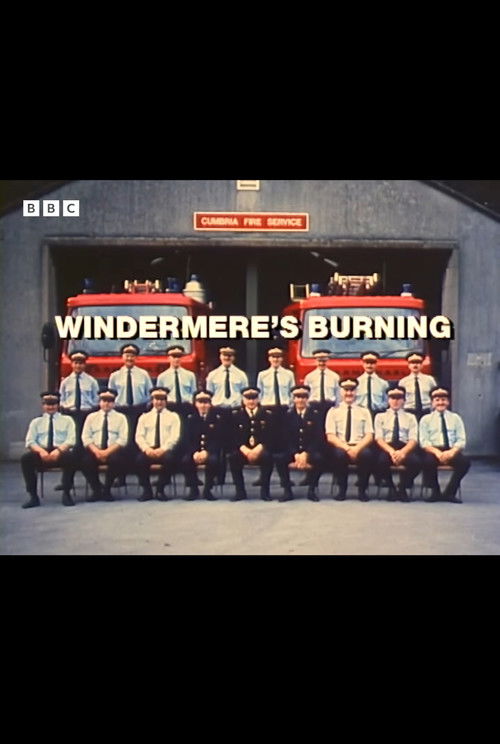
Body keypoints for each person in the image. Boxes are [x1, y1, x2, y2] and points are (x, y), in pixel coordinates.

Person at [21, 392, 77, 508]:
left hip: (60, 452)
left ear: (58, 405)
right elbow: (30, 441)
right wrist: (41, 451)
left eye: (53, 404)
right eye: (47, 404)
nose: (50, 407)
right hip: (41, 452)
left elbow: (71, 440)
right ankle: (33, 496)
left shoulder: (67, 420)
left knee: (71, 458)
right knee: (26, 459)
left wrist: (59, 451)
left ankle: (66, 493)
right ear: (43, 405)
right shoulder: (36, 422)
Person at [275, 384, 326, 502]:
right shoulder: (287, 415)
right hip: (292, 451)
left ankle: (312, 490)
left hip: (309, 450)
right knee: (279, 458)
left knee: (320, 458)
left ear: (307, 398)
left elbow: (318, 437)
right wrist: (295, 454)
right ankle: (287, 491)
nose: (300, 400)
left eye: (303, 397)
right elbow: (285, 438)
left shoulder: (316, 415)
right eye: (297, 397)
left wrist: (306, 453)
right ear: (293, 399)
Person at [325, 379, 374, 501]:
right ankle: (342, 489)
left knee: (367, 455)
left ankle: (362, 490)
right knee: (339, 455)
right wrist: (347, 449)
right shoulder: (333, 411)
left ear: (356, 392)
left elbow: (369, 435)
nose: (349, 393)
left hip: (359, 445)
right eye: (346, 390)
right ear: (341, 392)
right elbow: (330, 436)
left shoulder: (364, 411)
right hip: (341, 446)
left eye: (352, 390)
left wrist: (356, 449)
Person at [57, 349, 99, 491]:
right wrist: (65, 410)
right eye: (75, 363)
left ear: (84, 365)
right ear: (72, 364)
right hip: (71, 415)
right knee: (70, 448)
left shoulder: (91, 381)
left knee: (85, 448)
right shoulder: (65, 382)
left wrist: (91, 410)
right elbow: (62, 399)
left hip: (85, 415)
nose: (78, 366)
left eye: (81, 363)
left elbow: (96, 399)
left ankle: (93, 482)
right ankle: (67, 481)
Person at [419, 386, 470, 503]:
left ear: (448, 402)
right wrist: (437, 453)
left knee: (465, 463)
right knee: (428, 462)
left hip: (451, 449)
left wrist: (452, 452)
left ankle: (450, 493)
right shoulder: (425, 419)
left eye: (443, 400)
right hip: (433, 450)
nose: (440, 403)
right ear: (432, 403)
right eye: (437, 400)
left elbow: (461, 439)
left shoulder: (456, 418)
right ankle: (435, 492)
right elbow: (424, 441)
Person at [227, 387, 278, 502]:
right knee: (233, 457)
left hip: (261, 449)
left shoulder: (267, 414)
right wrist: (244, 449)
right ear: (243, 399)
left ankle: (265, 492)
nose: (251, 401)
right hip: (243, 449)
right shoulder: (235, 415)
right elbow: (232, 436)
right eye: (248, 398)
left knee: (268, 456)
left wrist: (259, 448)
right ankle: (240, 492)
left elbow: (271, 435)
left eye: (254, 398)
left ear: (258, 399)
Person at [374, 385, 421, 501]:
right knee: (380, 461)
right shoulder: (380, 417)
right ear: (388, 400)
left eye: (399, 398)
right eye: (392, 398)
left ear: (404, 400)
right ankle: (391, 488)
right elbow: (379, 438)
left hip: (404, 447)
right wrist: (392, 452)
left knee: (417, 462)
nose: (395, 401)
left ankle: (402, 487)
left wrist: (403, 452)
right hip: (387, 447)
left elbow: (413, 439)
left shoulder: (411, 417)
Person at [135, 386, 182, 501]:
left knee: (170, 460)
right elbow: (139, 436)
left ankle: (160, 489)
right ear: (152, 400)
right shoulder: (144, 417)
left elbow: (174, 436)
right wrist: (147, 449)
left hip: (165, 449)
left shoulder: (173, 417)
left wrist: (163, 449)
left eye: (162, 399)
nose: (159, 402)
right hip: (149, 449)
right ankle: (147, 491)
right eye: (157, 399)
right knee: (139, 460)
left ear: (166, 401)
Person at [80, 388, 128, 501]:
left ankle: (107, 490)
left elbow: (123, 439)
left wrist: (107, 452)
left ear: (114, 403)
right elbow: (86, 437)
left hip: (113, 450)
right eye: (104, 400)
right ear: (99, 402)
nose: (106, 403)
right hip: (95, 449)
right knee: (85, 462)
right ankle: (96, 489)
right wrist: (97, 451)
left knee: (117, 461)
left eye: (110, 401)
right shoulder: (91, 417)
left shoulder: (121, 417)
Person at [181, 390, 225, 501]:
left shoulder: (217, 419)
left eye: (206, 402)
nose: (203, 405)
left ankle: (208, 490)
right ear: (195, 404)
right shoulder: (190, 419)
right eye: (200, 402)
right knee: (186, 460)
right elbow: (186, 439)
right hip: (194, 451)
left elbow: (218, 439)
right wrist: (194, 452)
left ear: (210, 404)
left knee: (213, 461)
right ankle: (193, 489)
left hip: (210, 451)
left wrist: (207, 452)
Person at [156, 345, 197, 415]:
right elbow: (159, 395)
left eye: (179, 357)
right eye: (174, 357)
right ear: (168, 358)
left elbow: (194, 393)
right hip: (170, 407)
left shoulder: (190, 375)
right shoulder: (162, 377)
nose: (177, 359)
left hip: (186, 407)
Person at [304, 349, 340, 420]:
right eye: (319, 361)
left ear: (328, 361)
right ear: (315, 361)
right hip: (314, 407)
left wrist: (337, 408)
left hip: (329, 406)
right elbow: (306, 395)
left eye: (324, 361)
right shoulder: (309, 377)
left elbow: (338, 395)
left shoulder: (335, 377)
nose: (321, 363)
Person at [399, 352, 437, 420]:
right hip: (409, 411)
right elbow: (400, 399)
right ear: (408, 365)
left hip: (426, 411)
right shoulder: (403, 382)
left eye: (418, 362)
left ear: (422, 365)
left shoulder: (430, 380)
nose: (415, 365)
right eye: (412, 362)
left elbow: (435, 395)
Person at [356, 351, 389, 417]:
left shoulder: (383, 383)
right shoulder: (357, 383)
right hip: (360, 414)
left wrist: (379, 407)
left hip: (377, 414)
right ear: (362, 363)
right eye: (367, 363)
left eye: (372, 363)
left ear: (377, 363)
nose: (369, 365)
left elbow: (386, 401)